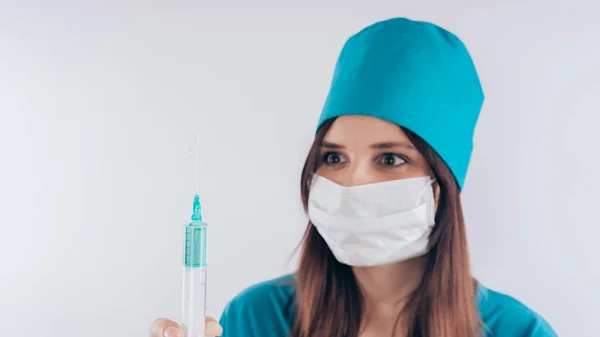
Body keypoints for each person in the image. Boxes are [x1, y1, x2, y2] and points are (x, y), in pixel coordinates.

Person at [149, 17, 558, 337]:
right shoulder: (258, 318)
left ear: (440, 186)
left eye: (391, 160)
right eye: (333, 157)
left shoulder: (517, 331)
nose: (351, 182)